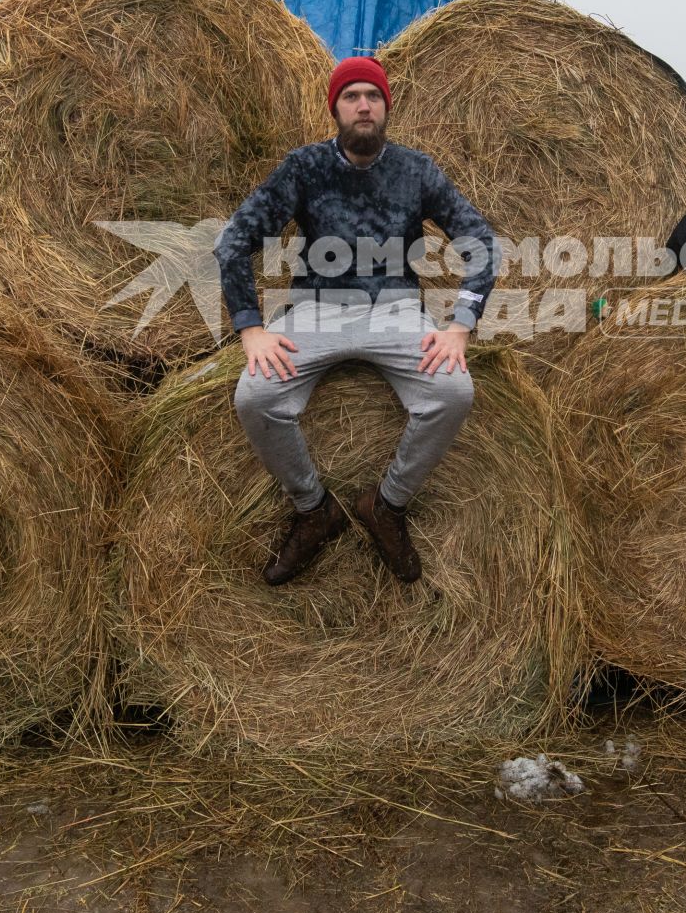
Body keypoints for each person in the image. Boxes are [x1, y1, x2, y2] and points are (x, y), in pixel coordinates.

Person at [214, 55, 499, 586]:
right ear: (336, 109)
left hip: (395, 310)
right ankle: (312, 507)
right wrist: (250, 327)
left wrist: (461, 324)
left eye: (372, 96)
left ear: (386, 107)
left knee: (454, 391)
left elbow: (481, 242)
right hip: (317, 311)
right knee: (255, 398)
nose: (363, 105)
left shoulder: (417, 170)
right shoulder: (304, 167)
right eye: (351, 97)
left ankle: (387, 505)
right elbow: (233, 241)